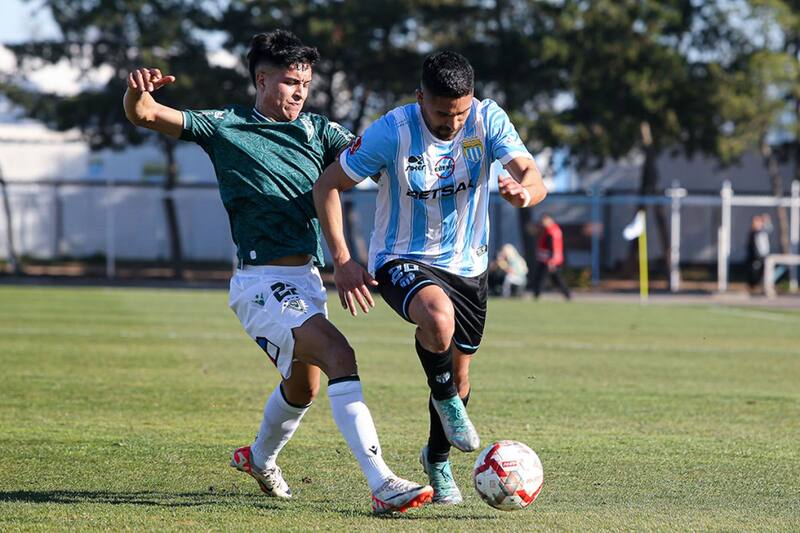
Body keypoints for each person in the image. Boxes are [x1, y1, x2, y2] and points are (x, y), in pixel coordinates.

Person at [122, 30, 432, 514]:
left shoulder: (319, 132)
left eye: (305, 82)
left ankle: (259, 458)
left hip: (304, 280)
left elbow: (372, 161)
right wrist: (137, 92)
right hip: (260, 283)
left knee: (303, 387)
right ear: (262, 80)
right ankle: (382, 482)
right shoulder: (225, 126)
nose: (299, 91)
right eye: (290, 81)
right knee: (337, 352)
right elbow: (145, 114)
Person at [313, 51, 547, 504]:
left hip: (469, 267)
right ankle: (444, 398)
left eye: (460, 112)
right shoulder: (391, 131)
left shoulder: (488, 119)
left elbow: (531, 174)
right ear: (420, 98)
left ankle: (436, 459)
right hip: (402, 257)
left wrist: (524, 194)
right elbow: (327, 186)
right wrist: (342, 261)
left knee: (460, 378)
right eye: (441, 113)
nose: (452, 123)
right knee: (437, 321)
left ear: (472, 99)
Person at [531, 214, 571, 300]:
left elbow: (554, 248)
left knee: (542, 278)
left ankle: (536, 295)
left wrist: (551, 261)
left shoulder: (552, 232)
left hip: (549, 261)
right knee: (555, 279)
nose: (542, 223)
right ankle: (567, 295)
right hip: (546, 259)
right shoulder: (549, 230)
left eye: (544, 221)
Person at [746, 214, 770, 292]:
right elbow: (751, 247)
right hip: (755, 257)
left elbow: (769, 228)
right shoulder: (753, 233)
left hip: (764, 256)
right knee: (754, 272)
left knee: (764, 272)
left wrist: (766, 220)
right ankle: (753, 287)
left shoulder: (763, 232)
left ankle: (762, 287)